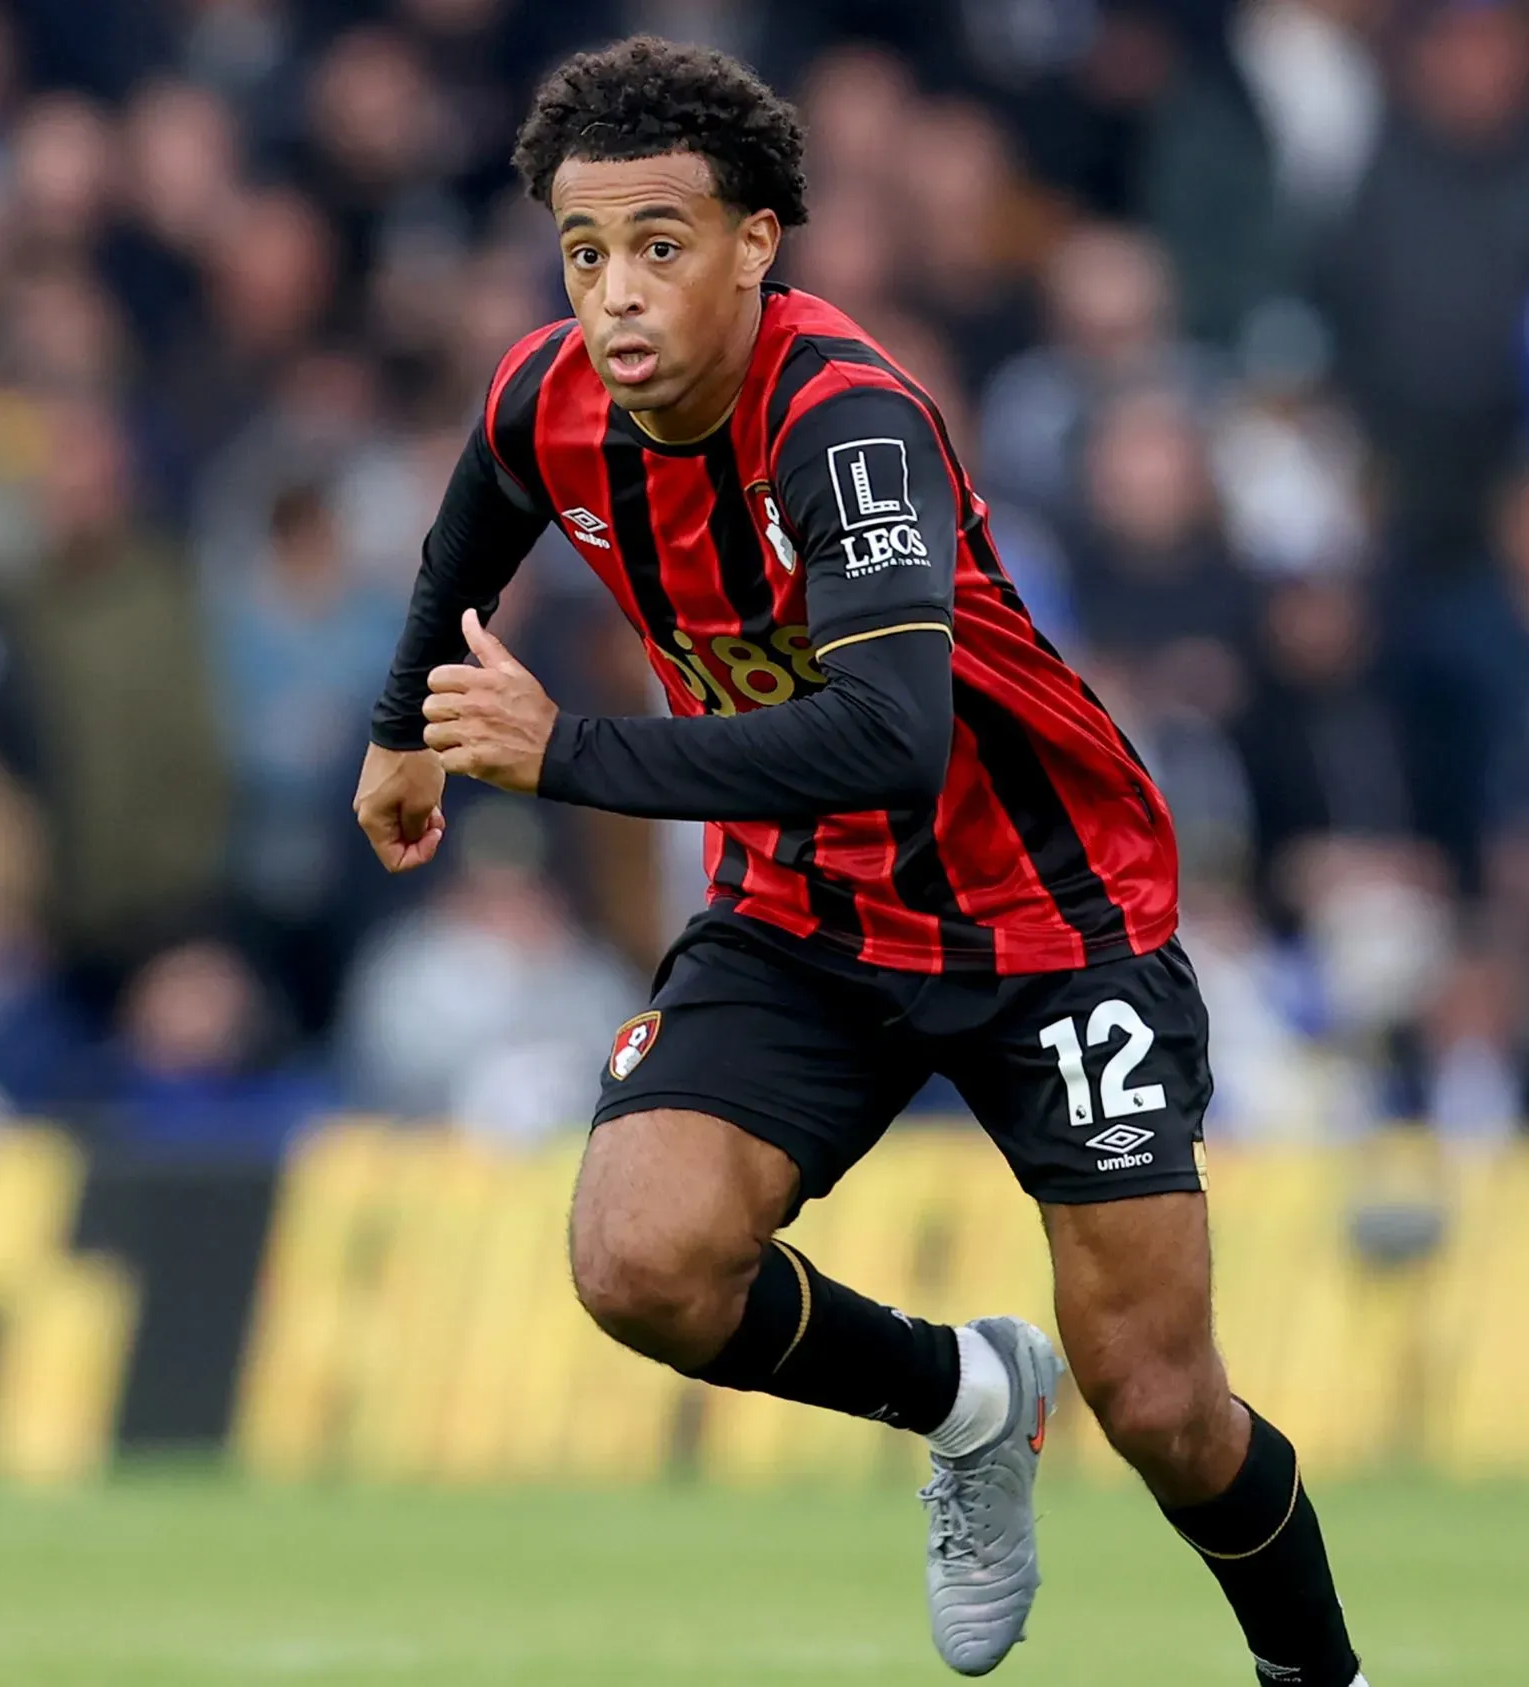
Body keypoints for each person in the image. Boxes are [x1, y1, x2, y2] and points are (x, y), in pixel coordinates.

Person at [354, 39, 1364, 1686]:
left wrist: (564, 757)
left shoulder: (849, 425)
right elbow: (476, 505)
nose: (615, 296)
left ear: (758, 244)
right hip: (808, 913)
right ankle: (970, 1396)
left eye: (661, 247)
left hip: (1049, 916)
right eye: (586, 252)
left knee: (1165, 1401)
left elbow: (887, 738)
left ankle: (1322, 1676)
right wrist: (401, 722)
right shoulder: (552, 394)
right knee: (641, 1258)